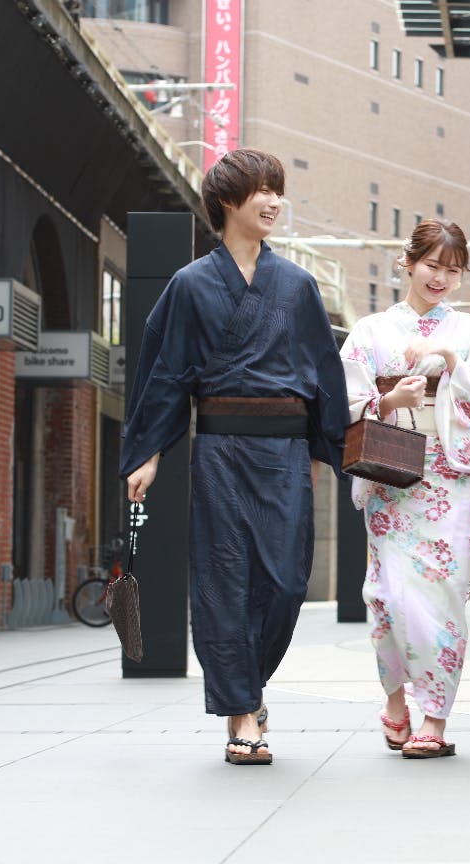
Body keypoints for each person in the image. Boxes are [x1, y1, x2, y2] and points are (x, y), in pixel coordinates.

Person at [119, 148, 349, 766]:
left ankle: (251, 688)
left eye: (279, 190)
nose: (274, 202)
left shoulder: (298, 285)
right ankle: (242, 713)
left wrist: (328, 450)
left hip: (285, 453)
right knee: (223, 580)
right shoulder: (190, 285)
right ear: (226, 202)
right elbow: (165, 375)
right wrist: (150, 453)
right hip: (220, 450)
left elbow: (325, 374)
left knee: (286, 581)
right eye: (262, 192)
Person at [339, 220, 470, 759]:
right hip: (390, 477)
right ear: (407, 262)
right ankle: (394, 698)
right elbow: (346, 403)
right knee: (384, 597)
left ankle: (434, 715)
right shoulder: (370, 331)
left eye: (453, 271)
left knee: (443, 597)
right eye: (432, 265)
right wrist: (389, 402)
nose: (441, 279)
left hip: (447, 477)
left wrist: (453, 366)